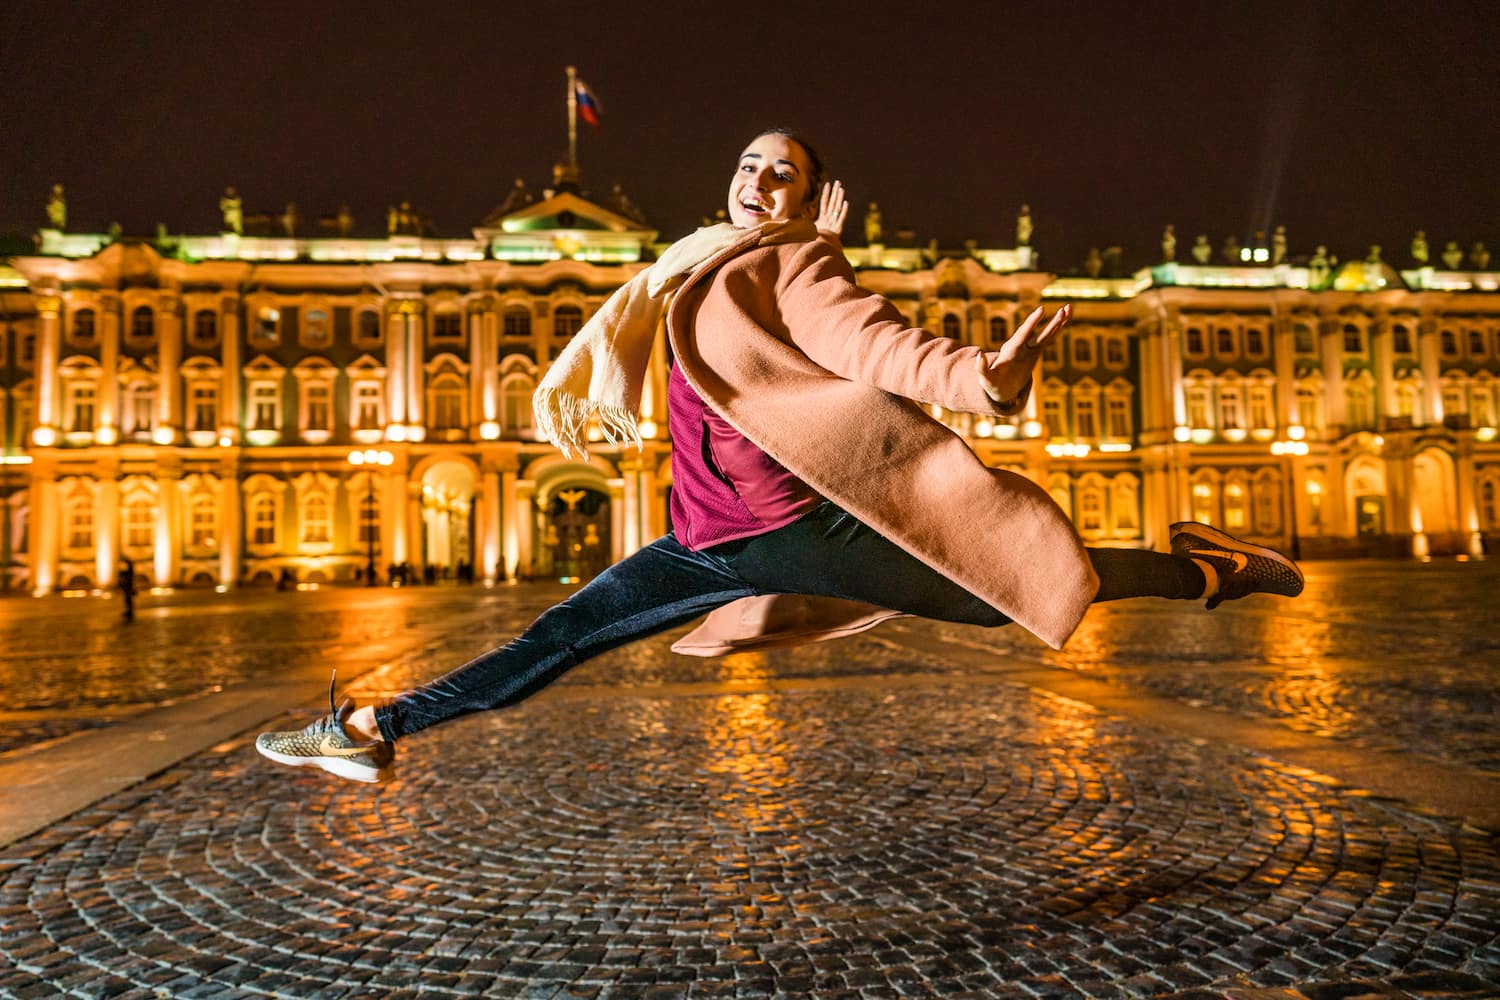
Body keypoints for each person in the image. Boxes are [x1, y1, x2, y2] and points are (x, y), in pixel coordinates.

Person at [257, 129, 1303, 784]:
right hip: (709, 540)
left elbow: (871, 341)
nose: (760, 179)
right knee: (561, 635)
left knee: (1012, 591)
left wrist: (984, 377)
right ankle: (372, 727)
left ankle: (1203, 569)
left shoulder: (793, 268)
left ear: (806, 198)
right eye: (749, 165)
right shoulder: (696, 265)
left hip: (797, 534)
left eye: (784, 172)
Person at [119, 558, 136, 623]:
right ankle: (129, 611)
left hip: (128, 587)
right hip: (127, 587)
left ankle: (129, 612)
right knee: (128, 600)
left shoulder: (129, 571)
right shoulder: (130, 571)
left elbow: (127, 577)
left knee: (128, 600)